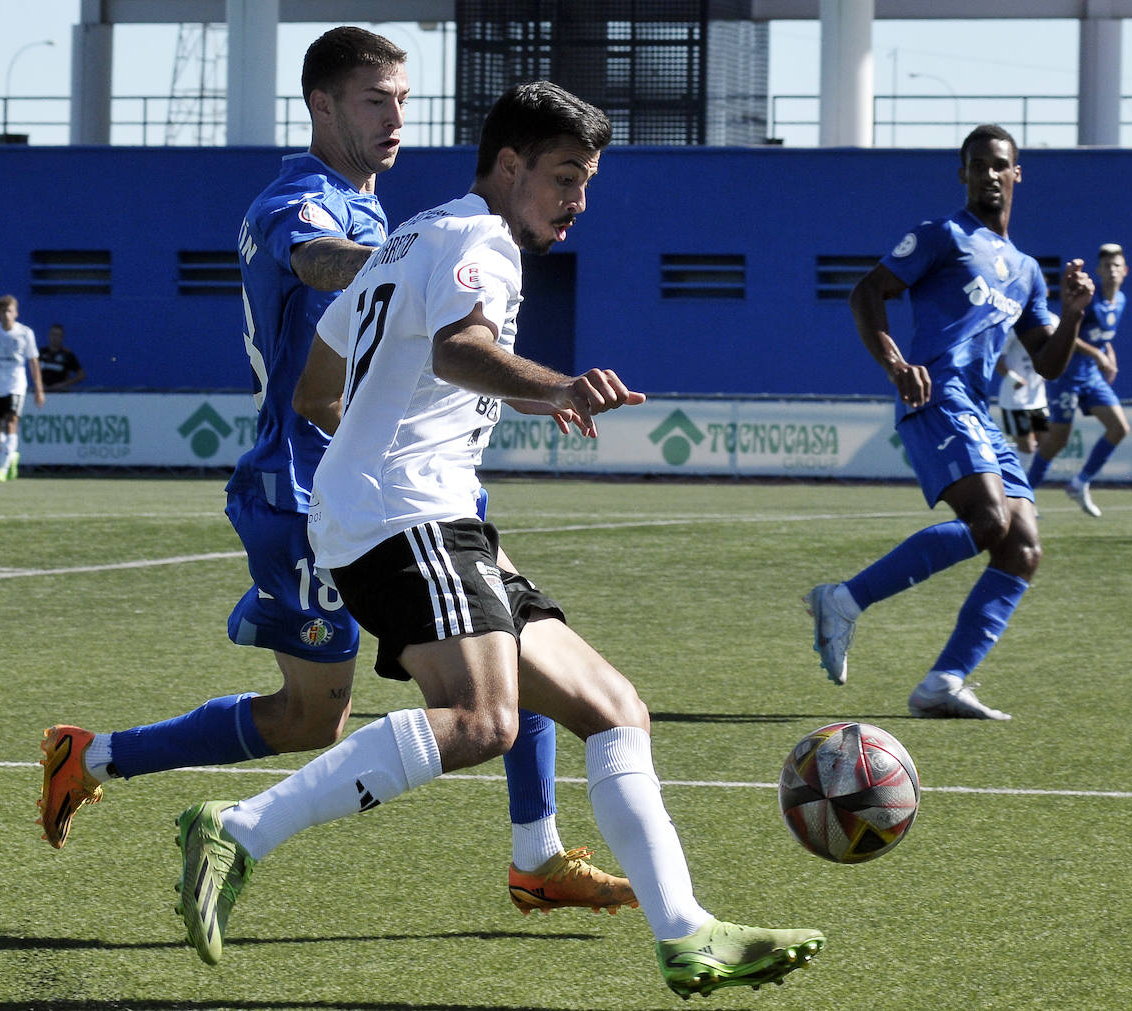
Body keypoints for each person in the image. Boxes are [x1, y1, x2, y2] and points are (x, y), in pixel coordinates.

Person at [172, 81, 825, 998]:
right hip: (408, 514)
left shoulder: (412, 237)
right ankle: (238, 828)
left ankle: (686, 931)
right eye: (565, 176)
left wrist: (464, 404)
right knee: (484, 721)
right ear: (509, 165)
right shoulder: (483, 240)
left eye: (586, 182)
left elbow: (319, 387)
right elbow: (456, 350)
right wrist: (552, 387)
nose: (577, 201)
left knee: (613, 707)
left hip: (418, 511)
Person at [37, 28, 631, 919]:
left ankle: (536, 853)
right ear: (322, 105)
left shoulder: (391, 216)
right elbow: (314, 261)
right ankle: (93, 758)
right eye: (373, 99)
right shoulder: (298, 199)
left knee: (501, 628)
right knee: (314, 717)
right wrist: (404, 271)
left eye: (402, 98)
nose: (397, 116)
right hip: (309, 487)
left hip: (397, 484)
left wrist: (410, 268)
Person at [805, 124, 1094, 720]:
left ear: (1017, 174)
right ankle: (842, 600)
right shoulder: (943, 236)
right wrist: (895, 363)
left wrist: (1072, 315)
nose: (990, 174)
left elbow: (1047, 361)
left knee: (1023, 549)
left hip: (980, 411)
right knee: (989, 519)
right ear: (963, 174)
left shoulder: (1026, 270)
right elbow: (867, 293)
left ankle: (944, 681)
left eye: (1000, 165)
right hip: (938, 395)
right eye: (978, 165)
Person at [1026, 243, 1131, 517]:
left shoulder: (1120, 302)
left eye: (1116, 266)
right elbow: (1068, 332)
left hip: (1091, 376)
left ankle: (1080, 482)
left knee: (1119, 428)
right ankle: (1025, 495)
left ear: (1125, 271)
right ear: (1098, 270)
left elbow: (1102, 336)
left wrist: (1109, 355)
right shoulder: (1090, 299)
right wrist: (1097, 353)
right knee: (1056, 442)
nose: (1111, 271)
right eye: (1106, 266)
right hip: (1067, 375)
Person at [0, 294, 45, 481]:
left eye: (10, 311)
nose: (6, 314)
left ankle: (2, 469)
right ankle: (11, 455)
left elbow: (33, 362)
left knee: (11, 422)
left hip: (16, 386)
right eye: (3, 311)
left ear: (16, 313)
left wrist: (39, 389)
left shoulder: (25, 333)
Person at [994, 328, 1049, 474]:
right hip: (1015, 400)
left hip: (1038, 399)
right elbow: (996, 355)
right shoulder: (1013, 326)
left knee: (1045, 446)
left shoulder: (1052, 321)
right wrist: (1012, 378)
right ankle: (1014, 486)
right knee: (1027, 447)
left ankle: (1013, 472)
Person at [37, 323, 86, 391]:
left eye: (57, 335)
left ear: (62, 337)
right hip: (43, 391)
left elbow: (81, 375)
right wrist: (39, 383)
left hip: (61, 394)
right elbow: (34, 369)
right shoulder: (41, 352)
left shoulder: (67, 355)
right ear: (49, 335)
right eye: (53, 334)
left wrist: (63, 385)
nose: (54, 337)